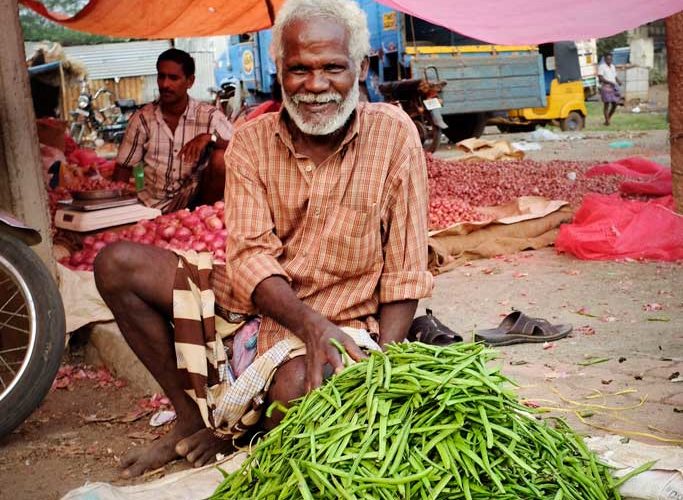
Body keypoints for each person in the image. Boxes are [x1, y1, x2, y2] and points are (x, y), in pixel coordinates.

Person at [94, 0, 432, 479]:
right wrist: (309, 325)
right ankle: (191, 419)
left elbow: (404, 269)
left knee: (299, 390)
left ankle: (236, 425)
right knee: (116, 264)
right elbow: (251, 257)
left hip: (348, 317)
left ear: (359, 67)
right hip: (260, 303)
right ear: (278, 70)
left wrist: (384, 373)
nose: (316, 86)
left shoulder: (394, 135)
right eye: (299, 69)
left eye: (333, 68)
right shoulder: (252, 141)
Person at [113, 48, 233, 212]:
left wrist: (209, 138)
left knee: (221, 159)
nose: (165, 84)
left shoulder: (210, 117)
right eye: (161, 76)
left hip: (198, 206)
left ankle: (201, 217)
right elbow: (123, 168)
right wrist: (115, 210)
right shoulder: (142, 119)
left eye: (173, 78)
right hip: (152, 207)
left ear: (190, 81)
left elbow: (243, 151)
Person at [598, 53, 624, 126]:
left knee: (615, 104)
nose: (609, 60)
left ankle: (608, 119)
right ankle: (607, 121)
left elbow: (615, 76)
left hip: (613, 87)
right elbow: (600, 78)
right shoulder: (602, 66)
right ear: (605, 59)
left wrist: (619, 81)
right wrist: (609, 82)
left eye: (610, 59)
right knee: (606, 104)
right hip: (606, 87)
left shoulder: (612, 66)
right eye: (608, 59)